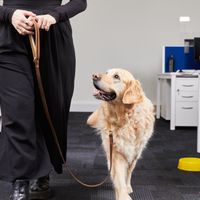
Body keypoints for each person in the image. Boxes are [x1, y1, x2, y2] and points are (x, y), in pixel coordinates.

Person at [0, 0, 87, 199]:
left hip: (53, 36)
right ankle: (20, 180)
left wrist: (54, 15)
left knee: (51, 108)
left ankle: (43, 171)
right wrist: (8, 14)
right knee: (17, 111)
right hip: (10, 35)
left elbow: (80, 2)